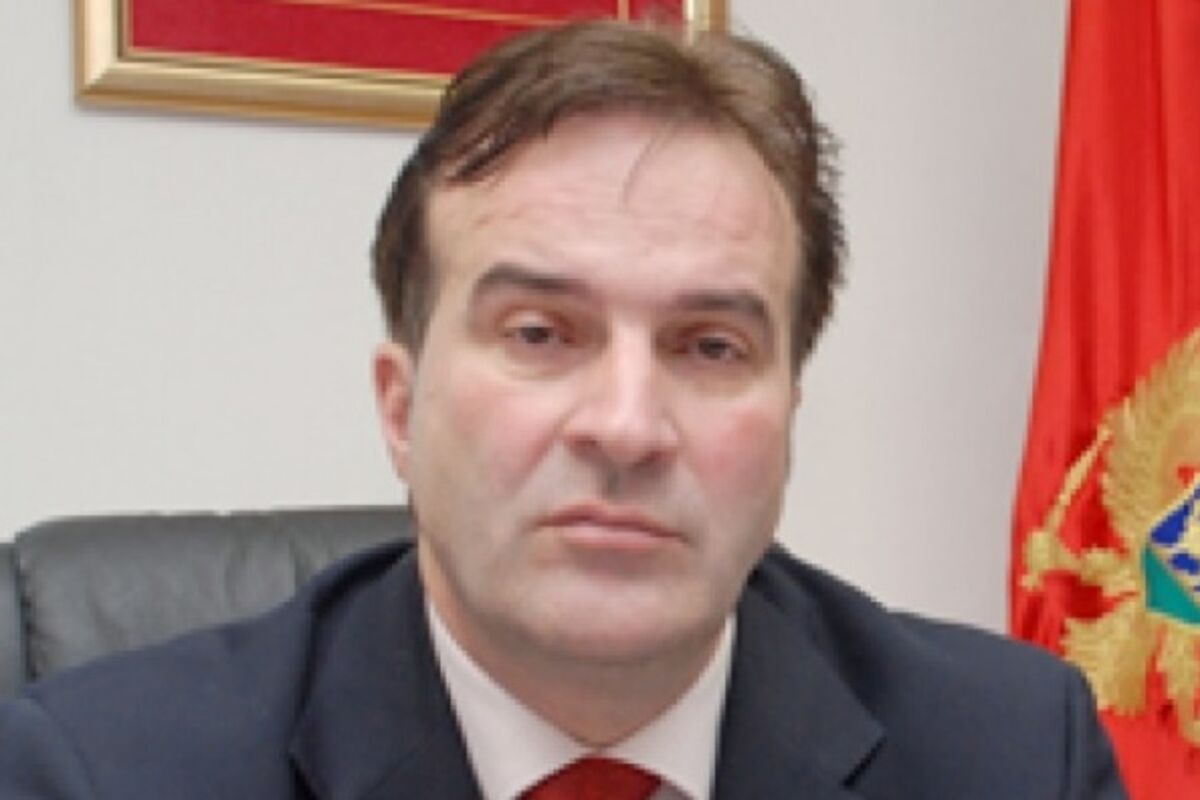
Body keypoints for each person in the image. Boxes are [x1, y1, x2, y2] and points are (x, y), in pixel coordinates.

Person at [0, 18, 1127, 800]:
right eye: (541, 334)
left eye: (710, 346)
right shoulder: (99, 772)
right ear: (399, 407)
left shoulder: (1014, 756)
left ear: (789, 416)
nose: (628, 426)